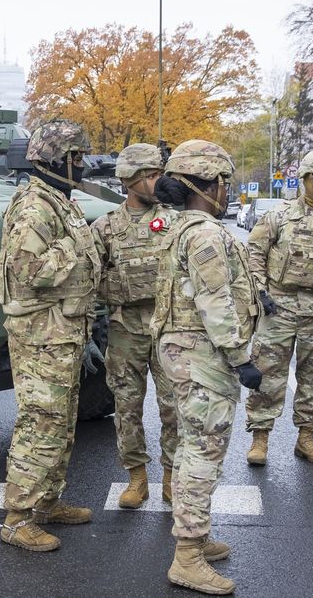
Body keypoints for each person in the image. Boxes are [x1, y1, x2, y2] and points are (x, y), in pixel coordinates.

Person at [150, 139, 261, 595]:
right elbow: (215, 302)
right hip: (202, 356)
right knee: (203, 452)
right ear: (207, 184)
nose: (227, 191)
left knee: (194, 445)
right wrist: (242, 358)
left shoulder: (183, 228)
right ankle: (188, 556)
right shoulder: (206, 233)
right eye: (223, 183)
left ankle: (197, 535)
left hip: (184, 350)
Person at [0, 120, 102, 552]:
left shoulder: (61, 203)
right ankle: (17, 519)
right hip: (41, 334)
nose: (83, 165)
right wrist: (74, 245)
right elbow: (28, 271)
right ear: (56, 160)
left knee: (60, 422)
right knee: (40, 422)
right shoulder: (35, 208)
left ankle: (45, 504)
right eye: (76, 157)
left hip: (63, 332)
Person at [245, 149, 313, 465]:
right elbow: (254, 254)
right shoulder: (279, 216)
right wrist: (261, 291)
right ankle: (260, 439)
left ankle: (307, 438)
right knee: (266, 375)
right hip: (278, 308)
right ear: (305, 179)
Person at [91, 142, 180, 509]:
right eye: (151, 176)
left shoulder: (177, 221)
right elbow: (89, 279)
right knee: (127, 407)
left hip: (168, 327)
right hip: (125, 329)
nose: (158, 182)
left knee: (174, 406)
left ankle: (173, 478)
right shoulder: (106, 227)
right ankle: (137, 478)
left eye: (159, 174)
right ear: (131, 180)